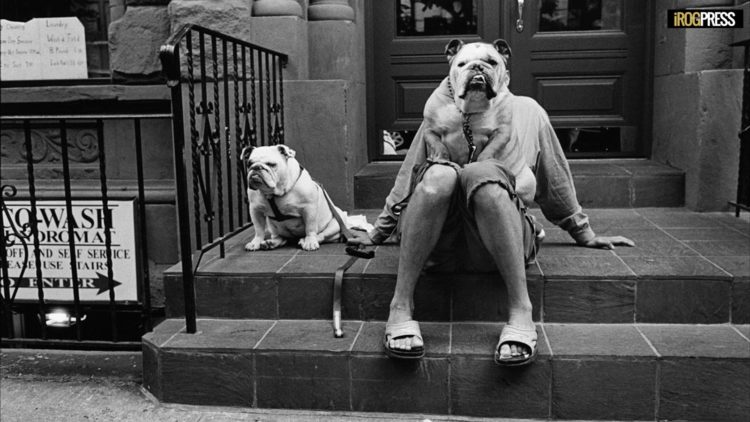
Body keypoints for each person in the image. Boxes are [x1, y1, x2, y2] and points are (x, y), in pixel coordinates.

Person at [349, 39, 634, 366]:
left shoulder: (528, 111)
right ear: (452, 74)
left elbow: (553, 177)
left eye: (490, 63)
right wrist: (378, 232)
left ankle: (521, 310)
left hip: (497, 239)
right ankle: (400, 305)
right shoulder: (441, 112)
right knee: (438, 176)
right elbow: (409, 177)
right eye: (465, 65)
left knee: (484, 175)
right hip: (439, 242)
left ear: (505, 74)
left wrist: (583, 232)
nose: (478, 71)